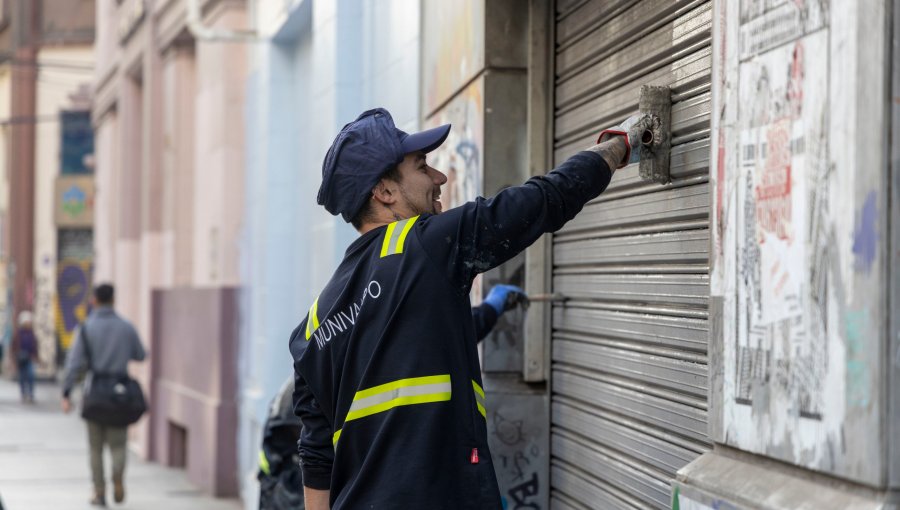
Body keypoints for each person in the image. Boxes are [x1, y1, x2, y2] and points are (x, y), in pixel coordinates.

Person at [289, 107, 647, 509]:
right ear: (385, 192)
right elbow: (546, 198)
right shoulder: (422, 246)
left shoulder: (312, 329)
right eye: (423, 167)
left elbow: (317, 456)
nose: (439, 178)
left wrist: (492, 310)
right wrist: (621, 144)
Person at [261, 284, 525, 509]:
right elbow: (310, 461)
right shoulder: (309, 392)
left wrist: (490, 309)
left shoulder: (364, 358)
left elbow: (433, 344)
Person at [61, 284, 146, 507]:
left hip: (95, 393)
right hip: (119, 394)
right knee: (119, 444)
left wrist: (66, 392)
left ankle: (99, 491)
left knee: (95, 448)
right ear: (114, 300)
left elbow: (74, 363)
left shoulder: (87, 328)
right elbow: (140, 354)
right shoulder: (126, 327)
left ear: (94, 300)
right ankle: (117, 474)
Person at [12, 311, 38, 403]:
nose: (28, 323)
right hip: (21, 358)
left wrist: (36, 356)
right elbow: (13, 346)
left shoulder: (31, 333)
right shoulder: (18, 334)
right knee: (22, 377)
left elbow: (35, 345)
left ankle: (30, 394)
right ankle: (23, 393)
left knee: (31, 375)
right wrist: (15, 357)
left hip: (29, 357)